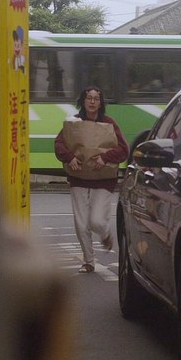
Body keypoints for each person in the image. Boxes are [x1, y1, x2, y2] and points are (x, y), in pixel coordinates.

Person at [54, 86, 129, 274]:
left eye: (96, 98)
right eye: (89, 98)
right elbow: (59, 144)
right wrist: (70, 158)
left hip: (103, 180)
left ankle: (105, 234)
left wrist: (105, 158)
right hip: (78, 178)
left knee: (96, 221)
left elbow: (124, 149)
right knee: (81, 224)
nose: (93, 101)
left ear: (101, 102)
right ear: (83, 100)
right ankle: (88, 261)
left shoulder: (109, 123)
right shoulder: (73, 123)